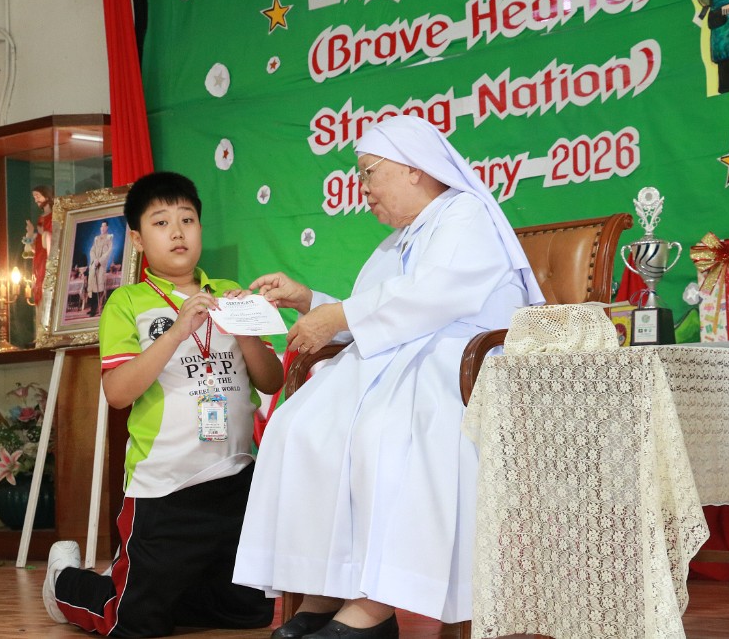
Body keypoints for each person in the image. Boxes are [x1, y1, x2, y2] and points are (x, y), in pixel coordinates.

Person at [232, 115, 545, 639]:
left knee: (384, 433)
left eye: (368, 172)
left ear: (413, 168)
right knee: (299, 426)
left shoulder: (464, 214)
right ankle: (326, 587)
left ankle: (376, 605)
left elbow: (432, 298)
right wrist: (309, 300)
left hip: (458, 368)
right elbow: (376, 312)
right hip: (398, 365)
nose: (363, 187)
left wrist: (337, 316)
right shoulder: (399, 239)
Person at [42, 172, 284, 637]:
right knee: (133, 624)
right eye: (161, 222)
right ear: (136, 239)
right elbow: (117, 393)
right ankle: (64, 582)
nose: (177, 232)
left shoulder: (230, 292)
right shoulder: (126, 302)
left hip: (234, 481)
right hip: (165, 487)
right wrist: (175, 333)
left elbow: (271, 380)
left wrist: (245, 330)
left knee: (247, 614)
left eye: (187, 220)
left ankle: (158, 586)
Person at [27, 185, 54, 304]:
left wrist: (44, 233)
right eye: (34, 197)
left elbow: (52, 239)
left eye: (38, 196)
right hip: (39, 256)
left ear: (46, 196)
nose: (36, 200)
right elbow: (36, 246)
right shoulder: (41, 217)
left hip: (46, 256)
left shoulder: (53, 216)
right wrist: (30, 233)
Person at [87, 220, 114, 316]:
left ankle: (98, 308)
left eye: (104, 226)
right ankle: (92, 308)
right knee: (92, 286)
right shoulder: (96, 239)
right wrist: (95, 259)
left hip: (101, 266)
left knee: (99, 286)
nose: (102, 228)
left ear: (107, 227)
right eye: (101, 226)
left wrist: (100, 260)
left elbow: (108, 251)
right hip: (94, 265)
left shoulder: (109, 238)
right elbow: (92, 250)